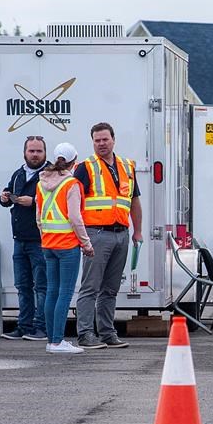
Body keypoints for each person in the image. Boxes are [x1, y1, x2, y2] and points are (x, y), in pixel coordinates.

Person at [73, 122, 142, 349]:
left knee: (110, 289)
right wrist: (82, 237)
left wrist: (137, 231)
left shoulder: (126, 166)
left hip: (121, 234)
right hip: (97, 233)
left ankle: (107, 333)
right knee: (90, 287)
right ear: (92, 142)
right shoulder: (85, 167)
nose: (101, 144)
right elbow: (72, 202)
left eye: (105, 139)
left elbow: (134, 201)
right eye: (97, 140)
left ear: (113, 139)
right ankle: (85, 334)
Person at [36, 143, 95, 354]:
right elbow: (75, 217)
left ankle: (51, 340)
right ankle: (58, 341)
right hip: (67, 245)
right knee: (65, 293)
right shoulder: (72, 184)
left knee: (52, 291)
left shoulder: (42, 182)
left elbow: (39, 216)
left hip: (48, 244)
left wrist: (45, 237)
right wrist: (86, 244)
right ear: (74, 161)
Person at [0, 136, 49, 341]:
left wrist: (35, 201)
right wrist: (4, 197)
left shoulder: (51, 174)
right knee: (23, 286)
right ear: (24, 153)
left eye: (39, 151)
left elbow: (60, 201)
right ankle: (24, 326)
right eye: (31, 151)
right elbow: (8, 198)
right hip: (20, 239)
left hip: (41, 240)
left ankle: (41, 327)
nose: (35, 155)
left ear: (45, 153)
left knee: (42, 286)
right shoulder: (19, 174)